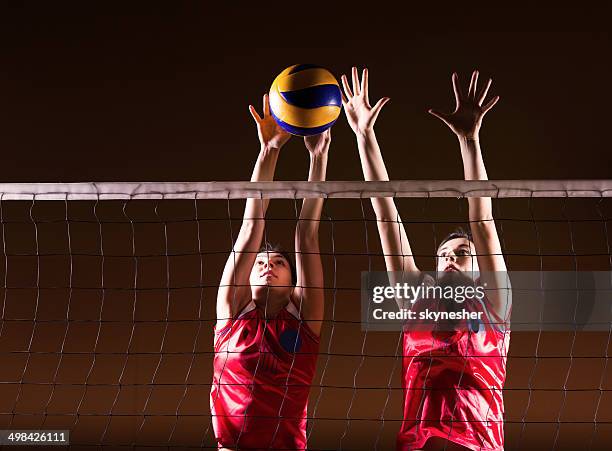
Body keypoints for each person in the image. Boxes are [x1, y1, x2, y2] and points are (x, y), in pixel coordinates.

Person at [341, 67, 511, 450]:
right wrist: (364, 136)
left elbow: (481, 219)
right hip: (420, 444)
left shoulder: (495, 303)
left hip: (478, 443)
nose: (450, 260)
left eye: (461, 255)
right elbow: (386, 214)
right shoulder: (414, 300)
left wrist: (470, 140)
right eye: (443, 255)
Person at [210, 94, 329, 450]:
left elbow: (306, 234)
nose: (268, 266)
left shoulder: (304, 315)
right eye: (260, 263)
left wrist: (318, 156)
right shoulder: (232, 311)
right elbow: (251, 228)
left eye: (278, 262)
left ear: (293, 281)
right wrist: (270, 150)